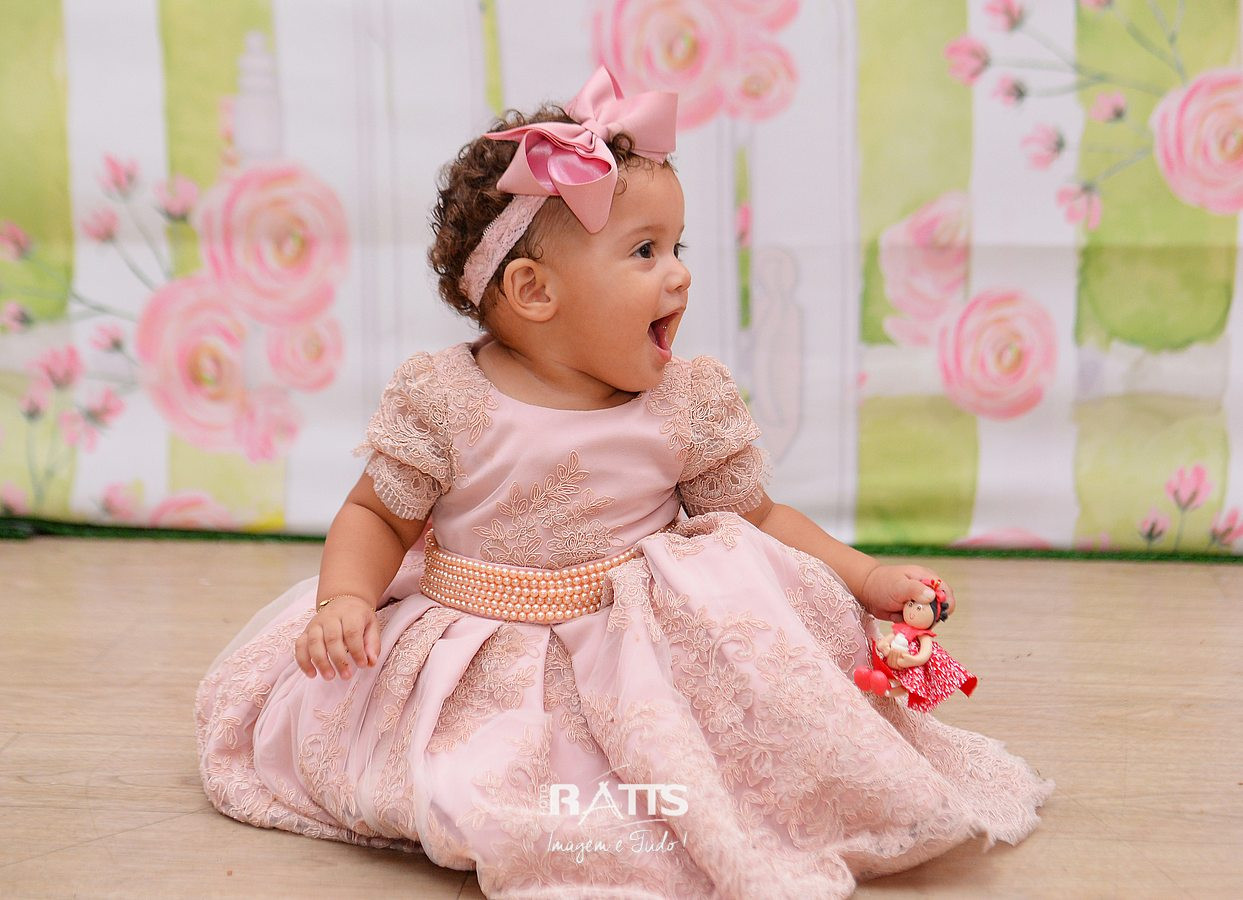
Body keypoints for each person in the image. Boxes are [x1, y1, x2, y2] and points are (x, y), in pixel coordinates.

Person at [195, 67, 1052, 898]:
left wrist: (865, 577)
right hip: (480, 642)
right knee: (479, 778)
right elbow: (377, 516)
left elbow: (757, 519)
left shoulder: (681, 403)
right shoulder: (446, 398)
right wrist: (344, 599)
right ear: (533, 291)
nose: (678, 273)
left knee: (703, 760)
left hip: (636, 647)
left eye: (678, 246)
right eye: (644, 250)